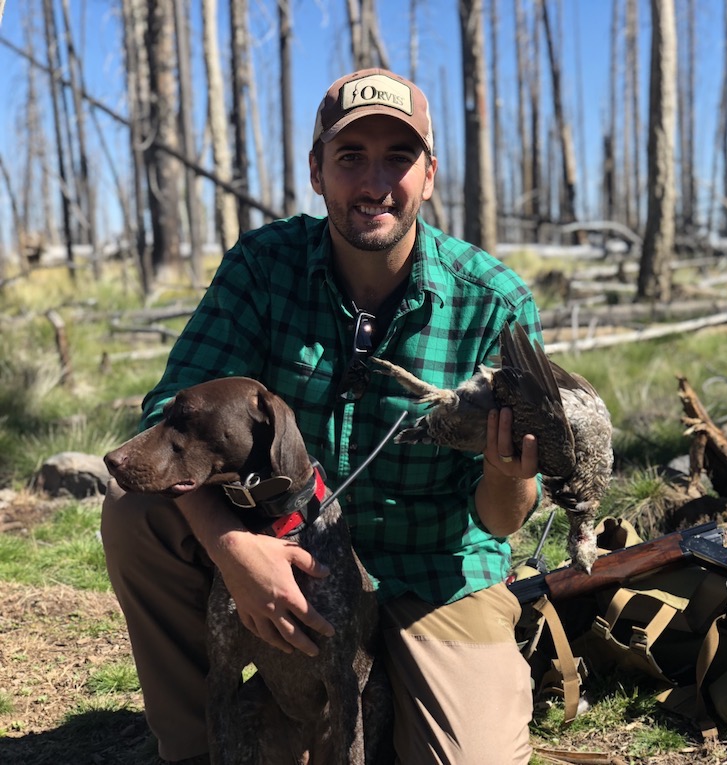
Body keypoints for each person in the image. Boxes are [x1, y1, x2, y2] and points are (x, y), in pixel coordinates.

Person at [102, 68, 541, 765]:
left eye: (398, 157)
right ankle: (194, 745)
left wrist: (508, 472)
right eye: (349, 157)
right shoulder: (263, 268)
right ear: (316, 171)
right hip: (278, 543)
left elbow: (502, 518)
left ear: (429, 174)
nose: (374, 182)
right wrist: (232, 549)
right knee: (136, 508)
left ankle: (394, 689)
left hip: (432, 568)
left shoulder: (493, 305)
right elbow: (170, 413)